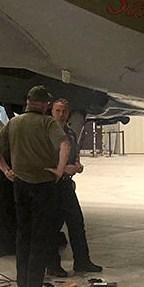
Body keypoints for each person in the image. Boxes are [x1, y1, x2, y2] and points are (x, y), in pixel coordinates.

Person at [0, 86, 70, 287]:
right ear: (44, 105)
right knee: (40, 239)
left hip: (20, 185)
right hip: (43, 185)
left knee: (23, 237)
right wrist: (60, 170)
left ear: (27, 102)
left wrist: (6, 170)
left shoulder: (13, 123)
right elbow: (64, 144)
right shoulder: (48, 123)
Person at [47, 99, 102, 277]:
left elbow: (74, 152)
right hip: (52, 184)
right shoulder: (47, 133)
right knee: (52, 227)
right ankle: (53, 265)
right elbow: (44, 160)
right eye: (58, 110)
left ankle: (82, 261)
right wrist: (63, 169)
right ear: (52, 112)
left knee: (77, 223)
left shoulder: (70, 133)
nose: (61, 114)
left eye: (64, 111)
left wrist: (77, 164)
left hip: (66, 184)